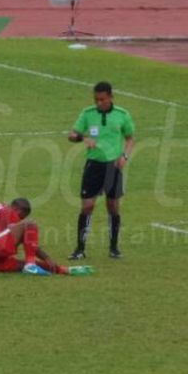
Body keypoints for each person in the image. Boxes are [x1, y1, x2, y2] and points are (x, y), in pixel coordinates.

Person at [68, 82, 135, 260]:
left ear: (111, 97)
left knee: (112, 206)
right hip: (94, 165)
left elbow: (130, 139)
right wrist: (83, 138)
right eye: (96, 99)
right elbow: (72, 135)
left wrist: (124, 157)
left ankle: (114, 248)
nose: (99, 103)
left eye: (102, 99)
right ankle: (80, 249)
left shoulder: (122, 115)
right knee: (88, 206)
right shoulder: (87, 114)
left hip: (113, 166)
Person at [0, 198, 92, 276]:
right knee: (30, 224)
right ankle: (31, 265)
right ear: (16, 209)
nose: (19, 219)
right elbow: (25, 234)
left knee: (20, 265)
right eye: (20, 216)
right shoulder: (10, 212)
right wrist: (46, 256)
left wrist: (56, 266)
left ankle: (64, 270)